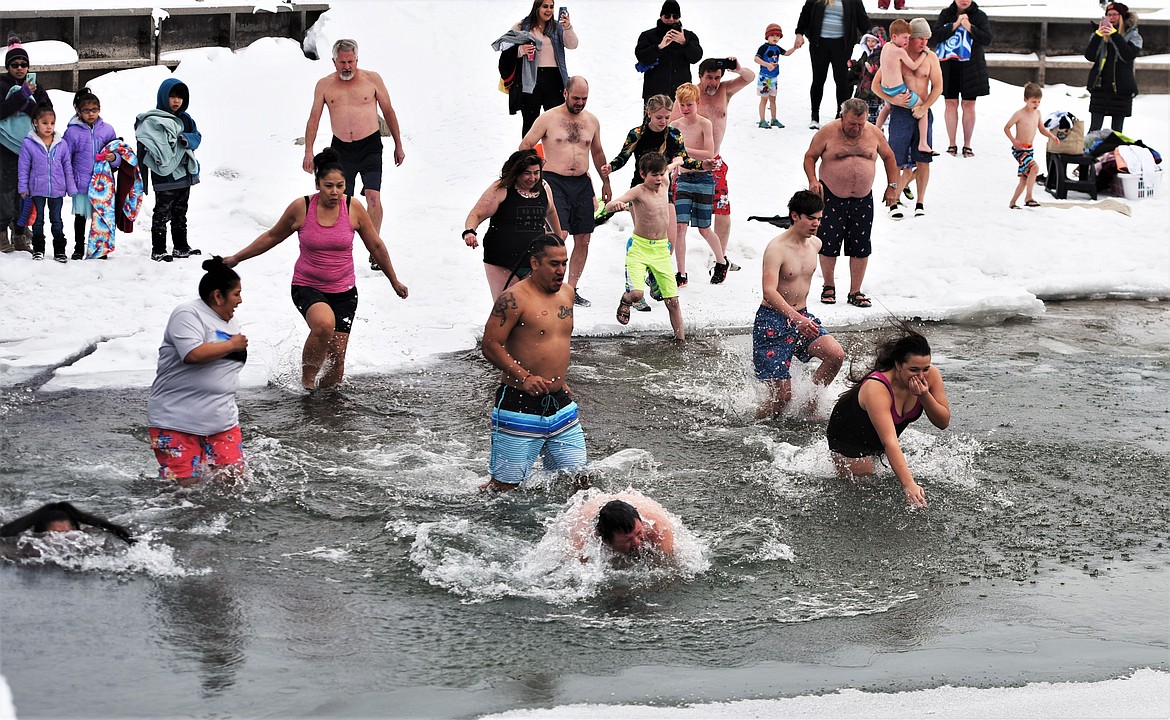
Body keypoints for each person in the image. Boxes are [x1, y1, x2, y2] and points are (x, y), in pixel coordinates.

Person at [224, 148, 408, 390]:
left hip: (344, 291)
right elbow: (272, 236)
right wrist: (237, 258)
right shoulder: (302, 208)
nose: (335, 192)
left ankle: (324, 407)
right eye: (329, 186)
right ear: (318, 184)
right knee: (323, 325)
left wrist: (393, 280)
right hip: (307, 286)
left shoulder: (353, 208)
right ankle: (307, 384)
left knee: (337, 361)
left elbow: (375, 245)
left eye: (340, 186)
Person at [480, 234, 586, 492]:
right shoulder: (513, 299)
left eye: (564, 263)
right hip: (518, 403)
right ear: (535, 263)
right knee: (504, 490)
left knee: (579, 482)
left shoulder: (568, 294)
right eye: (553, 264)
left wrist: (561, 379)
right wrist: (524, 377)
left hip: (559, 403)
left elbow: (552, 341)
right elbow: (490, 344)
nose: (561, 270)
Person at [302, 38, 405, 271]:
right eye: (342, 62)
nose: (347, 67)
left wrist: (398, 144)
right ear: (334, 62)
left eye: (350, 61)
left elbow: (388, 111)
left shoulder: (372, 79)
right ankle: (341, 246)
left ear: (357, 59)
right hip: (341, 149)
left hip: (370, 146)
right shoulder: (324, 85)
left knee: (373, 197)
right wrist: (308, 151)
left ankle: (374, 248)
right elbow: (314, 118)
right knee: (340, 200)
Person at [147, 257, 248, 487]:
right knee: (184, 491)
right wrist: (232, 345)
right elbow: (192, 354)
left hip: (222, 423)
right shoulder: (187, 315)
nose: (240, 300)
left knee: (233, 484)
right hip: (177, 421)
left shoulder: (230, 322)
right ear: (217, 295)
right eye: (236, 294)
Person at [826, 328, 950, 508]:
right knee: (864, 492)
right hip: (849, 437)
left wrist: (924, 396)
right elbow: (890, 442)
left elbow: (943, 422)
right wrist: (909, 485)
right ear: (898, 365)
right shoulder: (877, 387)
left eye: (926, 368)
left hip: (877, 437)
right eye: (913, 369)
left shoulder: (930, 377)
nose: (921, 376)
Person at [520, 76, 610, 307]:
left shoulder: (592, 121)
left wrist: (605, 182)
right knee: (559, 235)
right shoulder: (549, 118)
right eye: (576, 98)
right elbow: (526, 144)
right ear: (565, 93)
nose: (580, 103)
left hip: (581, 182)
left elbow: (598, 153)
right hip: (553, 181)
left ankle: (571, 288)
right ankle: (546, 285)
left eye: (584, 99)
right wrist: (535, 173)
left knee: (584, 238)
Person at [754, 190, 845, 418]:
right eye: (811, 218)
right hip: (772, 321)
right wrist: (797, 319)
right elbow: (769, 291)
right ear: (795, 216)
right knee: (782, 398)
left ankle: (809, 405)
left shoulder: (815, 244)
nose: (816, 224)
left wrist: (800, 318)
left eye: (819, 219)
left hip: (802, 317)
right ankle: (755, 428)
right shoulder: (777, 248)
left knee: (835, 355)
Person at [803, 98, 899, 310]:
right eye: (852, 124)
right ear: (843, 116)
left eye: (860, 124)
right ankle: (828, 286)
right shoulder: (828, 132)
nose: (856, 128)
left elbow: (889, 157)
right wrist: (812, 180)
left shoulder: (874, 133)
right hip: (831, 196)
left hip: (863, 198)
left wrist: (893, 186)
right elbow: (810, 157)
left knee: (861, 244)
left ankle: (855, 291)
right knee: (828, 242)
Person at [606, 153, 686, 341]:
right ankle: (626, 299)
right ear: (643, 174)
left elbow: (669, 167)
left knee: (673, 301)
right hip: (640, 248)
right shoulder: (638, 192)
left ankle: (680, 340)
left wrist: (678, 161)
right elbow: (609, 206)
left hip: (661, 249)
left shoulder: (664, 181)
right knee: (636, 294)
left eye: (660, 174)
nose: (659, 179)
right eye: (654, 175)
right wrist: (616, 205)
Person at [463, 149, 562, 300]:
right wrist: (470, 231)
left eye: (536, 172)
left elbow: (551, 212)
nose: (533, 178)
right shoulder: (501, 189)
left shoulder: (544, 187)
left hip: (534, 260)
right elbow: (476, 214)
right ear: (516, 172)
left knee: (533, 308)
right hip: (501, 261)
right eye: (527, 173)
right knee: (509, 307)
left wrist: (559, 239)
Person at [871, 18, 942, 219]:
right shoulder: (895, 55)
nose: (924, 44)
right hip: (901, 112)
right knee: (896, 159)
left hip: (922, 111)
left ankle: (920, 202)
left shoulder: (930, 57)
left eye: (927, 39)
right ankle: (893, 201)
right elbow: (876, 86)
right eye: (920, 39)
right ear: (909, 38)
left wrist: (925, 107)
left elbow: (938, 87)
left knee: (923, 159)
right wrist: (892, 99)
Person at [691, 58, 754, 270]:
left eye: (717, 77)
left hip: (716, 163)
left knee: (723, 210)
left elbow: (749, 78)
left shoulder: (725, 91)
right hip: (690, 164)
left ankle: (720, 258)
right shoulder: (689, 95)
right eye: (709, 77)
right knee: (677, 215)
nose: (713, 82)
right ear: (700, 76)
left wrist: (737, 68)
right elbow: (673, 128)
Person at [134, 77, 201, 262]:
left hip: (184, 174)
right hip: (164, 176)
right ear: (164, 97)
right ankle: (159, 249)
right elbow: (146, 146)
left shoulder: (186, 119)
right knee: (162, 212)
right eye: (172, 96)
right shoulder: (153, 120)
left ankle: (181, 246)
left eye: (180, 97)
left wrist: (185, 140)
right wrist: (143, 179)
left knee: (181, 211)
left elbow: (197, 137)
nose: (176, 101)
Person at [669, 83, 726, 286]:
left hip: (703, 179)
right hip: (684, 179)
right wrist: (674, 170)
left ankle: (721, 261)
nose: (685, 109)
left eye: (689, 105)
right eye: (682, 105)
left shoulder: (705, 124)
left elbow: (708, 154)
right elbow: (673, 154)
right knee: (680, 227)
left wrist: (684, 150)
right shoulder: (675, 126)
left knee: (704, 228)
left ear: (698, 104)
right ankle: (681, 273)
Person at [0, 35, 50, 254]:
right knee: (5, 190)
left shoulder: (36, 87)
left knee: (25, 191)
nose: (20, 68)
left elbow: (46, 115)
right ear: (7, 66)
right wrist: (20, 97)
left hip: (29, 148)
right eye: (15, 64)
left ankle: (20, 232)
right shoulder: (1, 85)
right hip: (4, 148)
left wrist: (28, 103)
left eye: (24, 64)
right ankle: (1, 232)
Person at [501, 0, 578, 136]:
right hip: (530, 79)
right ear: (537, 7)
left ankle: (554, 156)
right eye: (545, 6)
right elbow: (504, 44)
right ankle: (529, 156)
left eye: (551, 7)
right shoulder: (523, 25)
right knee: (530, 125)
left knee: (556, 124)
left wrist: (567, 27)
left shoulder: (557, 27)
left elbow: (572, 45)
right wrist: (521, 50)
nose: (549, 10)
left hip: (554, 79)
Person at [793, 0, 871, 129]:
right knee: (818, 79)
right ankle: (815, 116)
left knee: (842, 80)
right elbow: (805, 13)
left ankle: (840, 115)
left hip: (842, 45)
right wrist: (799, 33)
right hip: (819, 44)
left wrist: (873, 36)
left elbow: (862, 18)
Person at [930, 0, 992, 157]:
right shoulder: (946, 14)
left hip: (971, 66)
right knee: (950, 103)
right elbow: (936, 35)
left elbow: (987, 39)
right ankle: (952, 143)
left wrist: (970, 27)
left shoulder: (979, 15)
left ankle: (967, 144)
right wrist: (955, 24)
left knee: (969, 104)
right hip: (949, 64)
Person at [62, 88, 118, 260]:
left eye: (94, 110)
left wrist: (113, 158)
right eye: (86, 111)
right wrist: (70, 183)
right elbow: (65, 158)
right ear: (79, 111)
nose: (91, 114)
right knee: (80, 217)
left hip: (102, 185)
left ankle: (100, 248)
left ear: (99, 110)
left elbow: (118, 154)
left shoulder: (107, 130)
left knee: (100, 217)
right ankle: (79, 247)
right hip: (82, 183)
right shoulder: (72, 132)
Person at [18, 104, 77, 262]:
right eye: (45, 123)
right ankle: (38, 249)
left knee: (56, 220)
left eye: (52, 123)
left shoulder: (61, 144)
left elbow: (67, 167)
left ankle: (59, 250)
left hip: (57, 190)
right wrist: (23, 188)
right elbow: (23, 167)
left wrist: (71, 188)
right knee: (38, 221)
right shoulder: (29, 143)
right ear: (36, 123)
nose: (49, 126)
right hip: (37, 189)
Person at [1083, 2, 1142, 133]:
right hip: (1100, 86)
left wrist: (1115, 35)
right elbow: (1090, 56)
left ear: (1122, 17)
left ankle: (1115, 153)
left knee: (1117, 132)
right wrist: (1098, 35)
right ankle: (1089, 153)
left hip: (1121, 88)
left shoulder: (1133, 35)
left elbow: (1128, 55)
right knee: (1094, 129)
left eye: (1115, 14)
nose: (1112, 18)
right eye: (1109, 15)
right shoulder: (1098, 34)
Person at [879, 19, 933, 154]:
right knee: (923, 108)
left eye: (909, 38)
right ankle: (923, 143)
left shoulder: (886, 47)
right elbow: (914, 66)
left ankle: (877, 128)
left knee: (887, 106)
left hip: (886, 88)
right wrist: (924, 53)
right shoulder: (900, 52)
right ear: (894, 36)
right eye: (905, 38)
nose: (906, 41)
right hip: (899, 90)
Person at [1003, 83, 1058, 209]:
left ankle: (1012, 203)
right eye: (1033, 102)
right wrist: (1013, 141)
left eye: (1038, 101)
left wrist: (1051, 136)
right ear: (1025, 100)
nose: (1036, 104)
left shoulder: (1037, 113)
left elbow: (1042, 129)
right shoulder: (1019, 114)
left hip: (1029, 149)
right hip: (1020, 150)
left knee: (1024, 179)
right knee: (1034, 168)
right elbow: (1006, 128)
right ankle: (1029, 197)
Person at [634, 1, 703, 102]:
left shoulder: (688, 36)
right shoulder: (647, 36)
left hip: (681, 95)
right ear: (661, 16)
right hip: (654, 95)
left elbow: (696, 57)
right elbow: (642, 57)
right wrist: (659, 47)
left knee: (681, 118)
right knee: (654, 118)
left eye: (675, 16)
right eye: (667, 16)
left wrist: (684, 43)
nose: (671, 19)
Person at [571, 493, 676, 557]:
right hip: (592, 507)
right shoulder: (583, 544)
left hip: (636, 503)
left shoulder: (659, 530)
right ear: (606, 541)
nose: (637, 542)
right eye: (628, 540)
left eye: (639, 533)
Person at [1, 502, 135, 545]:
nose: (62, 539)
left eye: (68, 533)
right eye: (55, 534)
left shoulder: (91, 540)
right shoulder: (26, 543)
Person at [754, 23, 797, 129]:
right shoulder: (763, 48)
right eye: (773, 35)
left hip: (774, 78)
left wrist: (795, 48)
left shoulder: (777, 48)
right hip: (764, 77)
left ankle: (774, 119)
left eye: (778, 36)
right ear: (767, 36)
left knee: (773, 99)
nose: (775, 38)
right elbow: (756, 58)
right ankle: (762, 120)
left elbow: (786, 53)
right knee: (764, 99)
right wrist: (767, 64)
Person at [847, 31, 884, 124]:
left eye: (873, 41)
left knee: (873, 113)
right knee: (860, 111)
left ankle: (875, 130)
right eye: (868, 40)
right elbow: (860, 67)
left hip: (874, 92)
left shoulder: (880, 55)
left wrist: (873, 71)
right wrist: (853, 64)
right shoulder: (865, 54)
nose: (870, 43)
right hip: (863, 89)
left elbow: (883, 72)